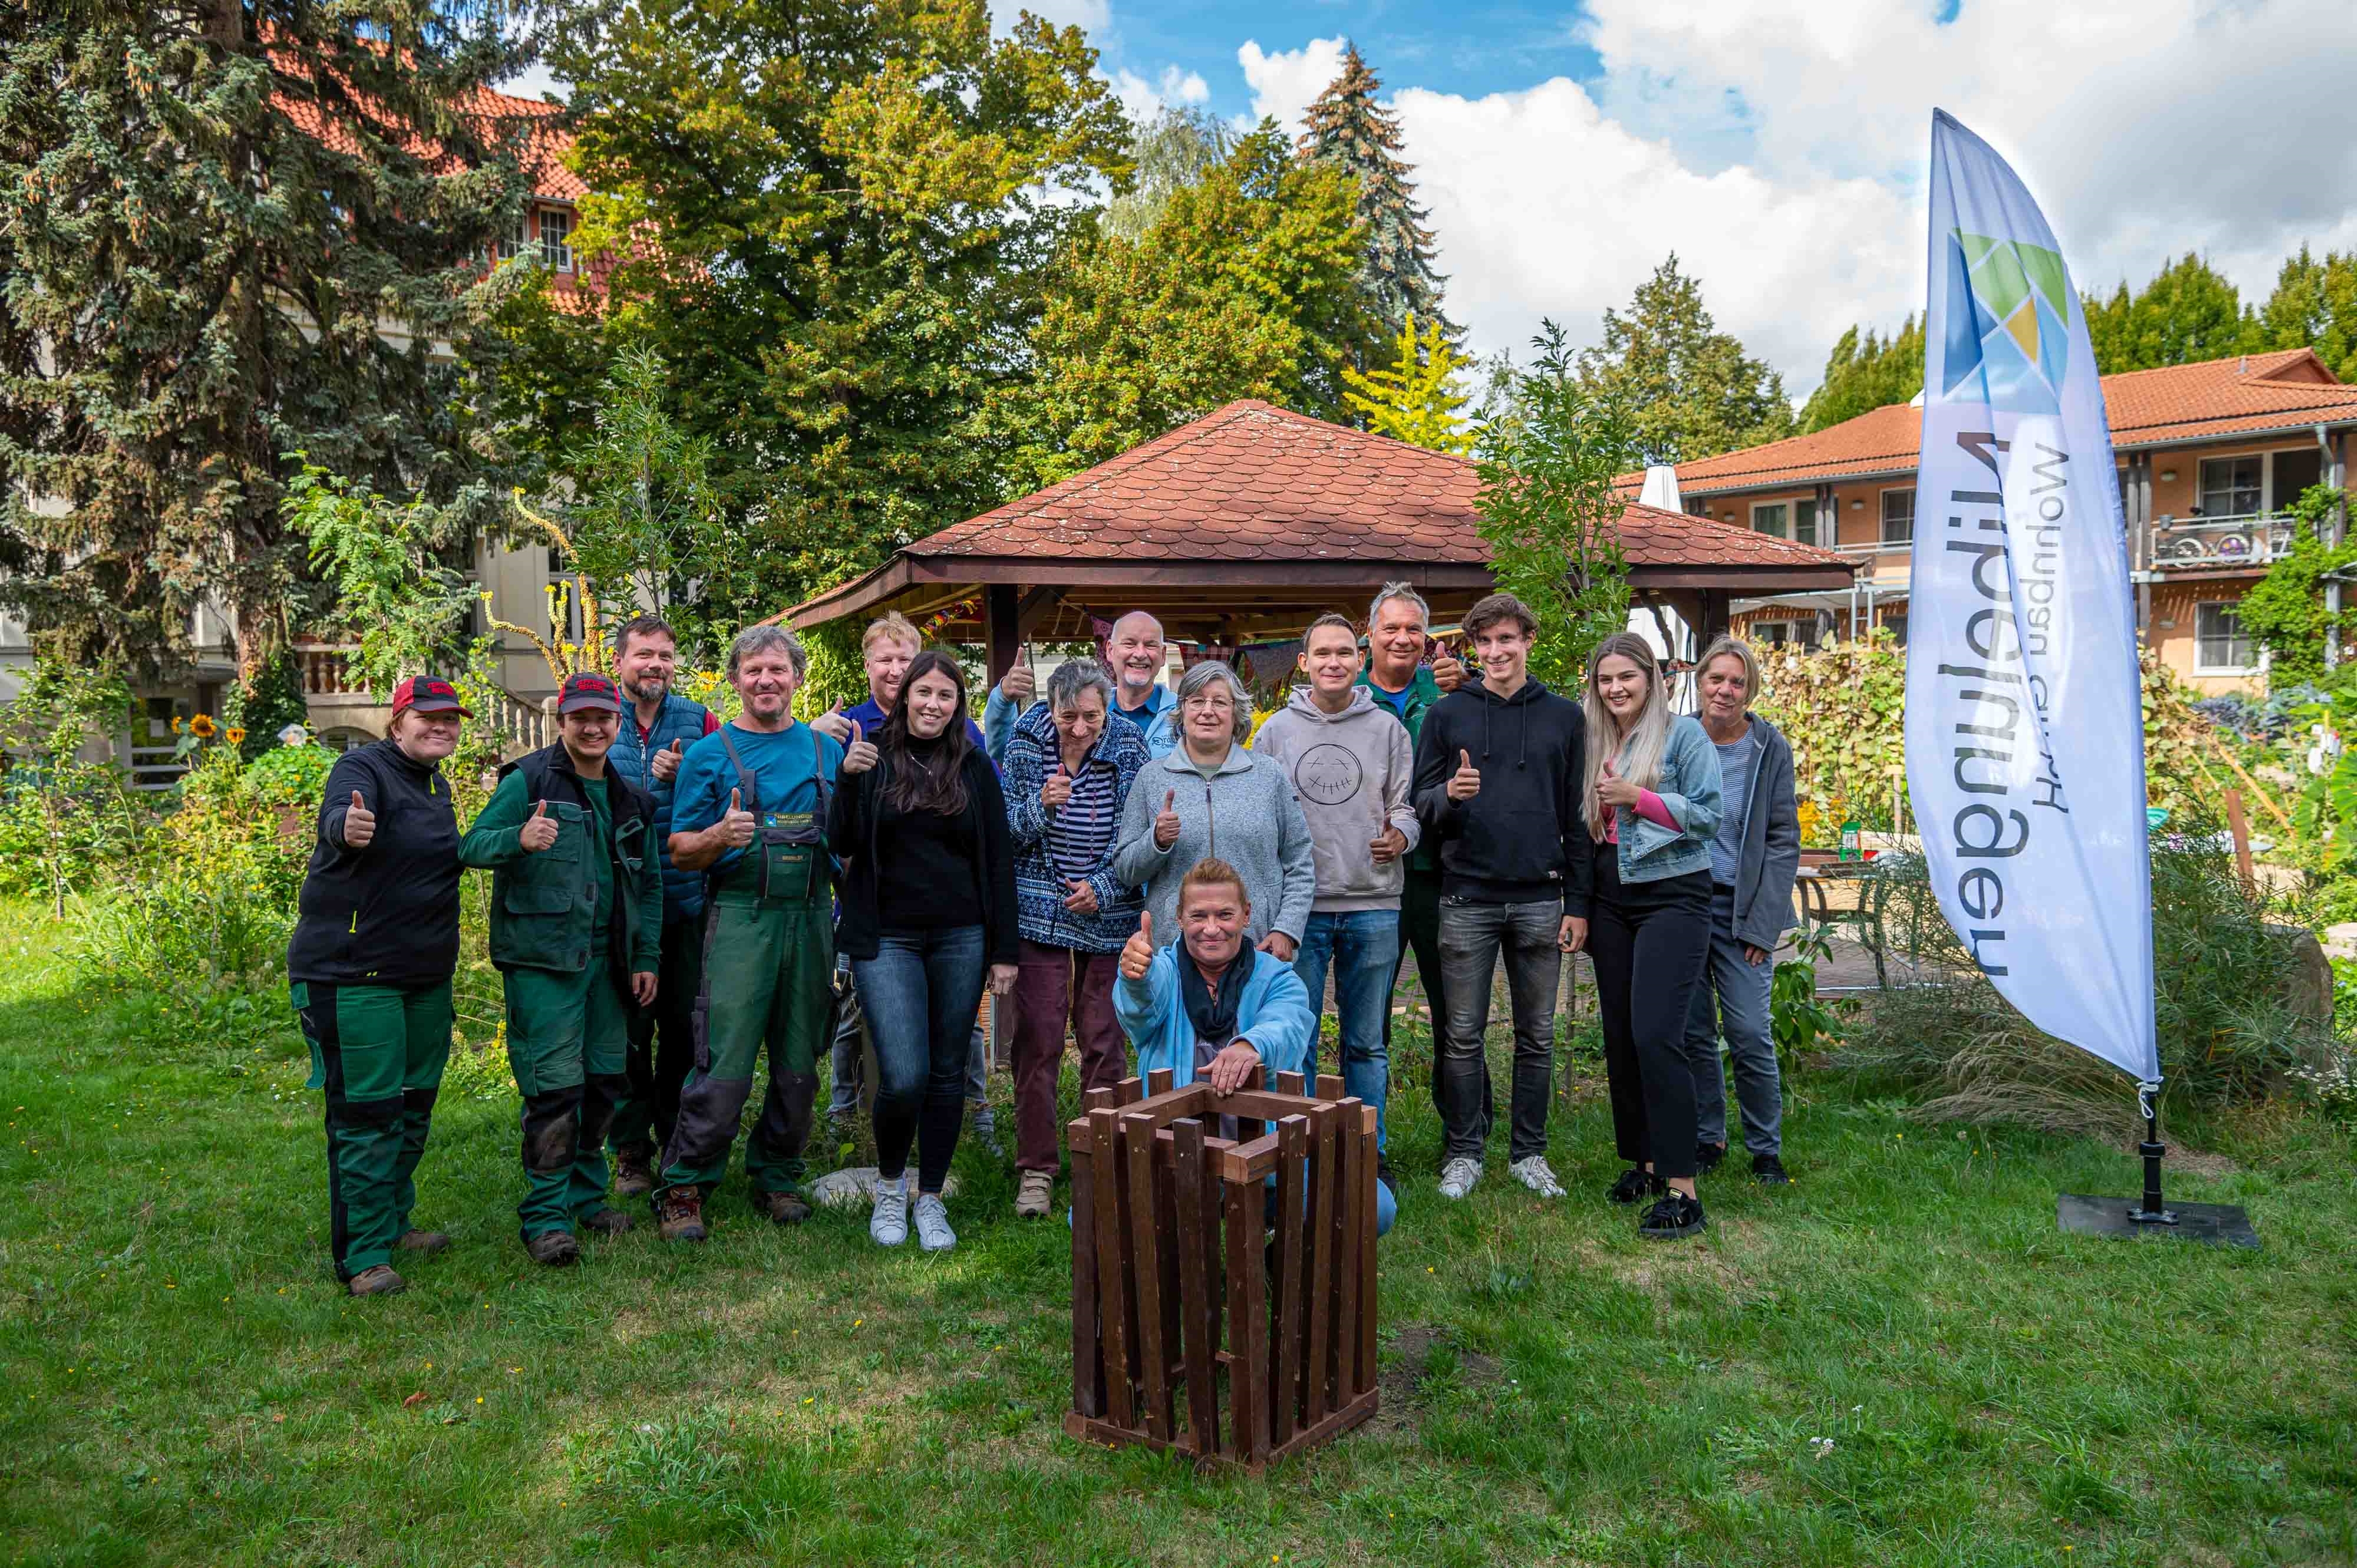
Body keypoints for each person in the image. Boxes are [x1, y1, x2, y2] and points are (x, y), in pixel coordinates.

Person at [460, 672, 663, 1266]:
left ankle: (585, 1198)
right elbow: (470, 846)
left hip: (610, 967)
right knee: (554, 1091)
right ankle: (546, 1218)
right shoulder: (527, 780)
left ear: (616, 723)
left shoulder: (630, 799)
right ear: (562, 721)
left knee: (603, 1084)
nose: (593, 727)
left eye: (603, 717)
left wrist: (646, 956)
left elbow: (647, 887)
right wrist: (517, 840)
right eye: (581, 717)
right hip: (544, 962)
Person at [655, 626, 846, 1242]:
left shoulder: (825, 753)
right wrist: (719, 837)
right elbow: (680, 850)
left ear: (796, 678)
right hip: (740, 919)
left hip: (813, 918)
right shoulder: (710, 755)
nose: (766, 681)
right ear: (735, 680)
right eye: (753, 671)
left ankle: (778, 1175)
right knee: (724, 1061)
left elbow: (849, 843)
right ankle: (684, 1185)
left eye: (778, 670)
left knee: (799, 1062)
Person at [828, 651, 1020, 1252]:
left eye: (946, 695)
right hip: (887, 937)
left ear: (957, 704)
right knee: (905, 1074)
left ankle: (931, 1198)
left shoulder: (975, 768)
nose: (933, 705)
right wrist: (849, 780)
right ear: (904, 695)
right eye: (924, 693)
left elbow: (997, 862)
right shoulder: (872, 757)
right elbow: (840, 842)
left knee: (945, 1076)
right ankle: (891, 1188)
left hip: (961, 936)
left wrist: (1004, 951)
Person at [286, 676, 470, 1296]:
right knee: (366, 1115)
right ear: (398, 723)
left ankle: (393, 1222)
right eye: (428, 717)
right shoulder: (361, 765)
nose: (441, 726)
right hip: (352, 974)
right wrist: (345, 827)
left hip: (424, 976)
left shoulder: (435, 784)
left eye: (451, 718)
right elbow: (342, 813)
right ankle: (362, 1256)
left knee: (413, 1104)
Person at [1409, 592, 1589, 1204]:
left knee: (1537, 1035)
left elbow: (1578, 817)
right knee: (1462, 1035)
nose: (1495, 652)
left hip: (1541, 898)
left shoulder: (1564, 718)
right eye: (1484, 643)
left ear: (1528, 641)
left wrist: (1579, 902)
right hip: (1467, 899)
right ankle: (1464, 1153)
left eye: (1506, 640)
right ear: (1473, 648)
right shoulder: (1448, 715)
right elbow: (1419, 806)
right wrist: (1450, 796)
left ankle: (1528, 1154)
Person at [1113, 857, 1394, 1236]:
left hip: (1271, 1159)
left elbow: (1290, 1023)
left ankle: (1280, 1256)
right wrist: (1134, 978)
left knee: (1373, 1205)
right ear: (1179, 918)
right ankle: (1177, 1261)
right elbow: (1139, 1012)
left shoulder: (1277, 975)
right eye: (1198, 916)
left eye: (1224, 915)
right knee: (1091, 1210)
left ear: (1246, 915)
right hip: (1174, 1157)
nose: (1211, 929)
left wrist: (1251, 1044)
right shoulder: (1161, 970)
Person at [810, 612, 995, 1150]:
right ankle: (847, 1112)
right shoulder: (848, 726)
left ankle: (974, 1108)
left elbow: (984, 806)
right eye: (884, 659)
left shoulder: (963, 733)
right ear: (867, 665)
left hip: (948, 915)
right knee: (855, 1013)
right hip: (868, 905)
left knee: (960, 1023)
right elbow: (829, 814)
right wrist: (815, 740)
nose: (894, 669)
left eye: (903, 659)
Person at [1250, 612, 1418, 1194]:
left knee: (1365, 1041)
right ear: (1303, 662)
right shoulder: (1273, 732)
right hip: (1300, 910)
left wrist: (1400, 834)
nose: (1333, 663)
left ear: (1360, 657)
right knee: (1292, 1037)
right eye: (1322, 653)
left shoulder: (1388, 730)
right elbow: (1261, 815)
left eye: (1345, 653)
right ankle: (1290, 1152)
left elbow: (1405, 807)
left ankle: (1367, 1152)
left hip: (1374, 902)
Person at [1580, 632, 1723, 1241]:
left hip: (1673, 894)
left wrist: (1638, 797)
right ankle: (1640, 1164)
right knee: (1620, 1036)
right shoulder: (1593, 739)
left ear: (1652, 678)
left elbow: (1711, 815)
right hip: (1611, 897)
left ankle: (1682, 1188)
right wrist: (1580, 906)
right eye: (1604, 679)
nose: (1615, 688)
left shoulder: (1683, 736)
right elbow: (1583, 834)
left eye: (1626, 678)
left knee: (1657, 1033)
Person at [1002, 659, 1150, 1218]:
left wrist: (1106, 887)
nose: (1081, 728)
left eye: (1091, 716)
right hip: (1040, 909)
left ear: (1106, 709)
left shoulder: (1130, 744)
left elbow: (1137, 833)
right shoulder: (1025, 740)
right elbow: (1007, 830)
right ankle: (1037, 1170)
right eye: (1069, 716)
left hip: (1108, 912)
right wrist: (1042, 808)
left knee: (1103, 1039)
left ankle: (1099, 1160)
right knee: (1036, 1040)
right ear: (1051, 707)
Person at [603, 615, 721, 1199]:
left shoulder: (699, 721)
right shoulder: (599, 714)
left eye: (665, 655)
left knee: (682, 1030)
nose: (655, 664)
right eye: (644, 654)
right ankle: (630, 1148)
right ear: (620, 662)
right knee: (627, 1034)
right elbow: (580, 786)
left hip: (683, 899)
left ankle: (677, 1140)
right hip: (619, 908)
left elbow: (731, 788)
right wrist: (649, 784)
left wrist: (691, 770)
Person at [1682, 635, 1798, 1186]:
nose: (1724, 690)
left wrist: (1764, 922)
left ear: (1749, 690)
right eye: (1716, 678)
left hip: (1740, 909)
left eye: (1737, 682)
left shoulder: (1768, 748)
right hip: (1681, 903)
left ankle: (1765, 1148)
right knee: (1692, 1031)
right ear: (1700, 681)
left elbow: (1782, 840)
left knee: (1750, 1030)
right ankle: (1709, 1137)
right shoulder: (1676, 737)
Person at [1113, 659, 1315, 965]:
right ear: (1182, 711)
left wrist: (1286, 930)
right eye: (1197, 701)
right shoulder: (1152, 778)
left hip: (1259, 947)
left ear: (1236, 712)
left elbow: (1299, 861)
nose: (1208, 710)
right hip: (1175, 950)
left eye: (1220, 702)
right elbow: (1126, 871)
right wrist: (1156, 842)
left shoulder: (1268, 775)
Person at [1355, 583, 1464, 1113]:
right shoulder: (1345, 696)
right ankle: (1363, 1135)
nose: (1403, 638)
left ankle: (1465, 1131)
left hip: (1438, 872)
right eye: (1391, 628)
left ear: (1428, 637)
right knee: (1368, 1014)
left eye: (1414, 628)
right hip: (1370, 874)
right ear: (1369, 633)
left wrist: (1471, 687)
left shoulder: (1450, 691)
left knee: (1454, 1007)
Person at [992, 611, 1178, 761]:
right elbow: (1004, 752)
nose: (1140, 653)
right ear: (1110, 651)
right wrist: (1003, 700)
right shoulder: (1071, 710)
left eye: (1150, 645)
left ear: (1163, 655)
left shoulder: (1185, 714)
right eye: (1130, 643)